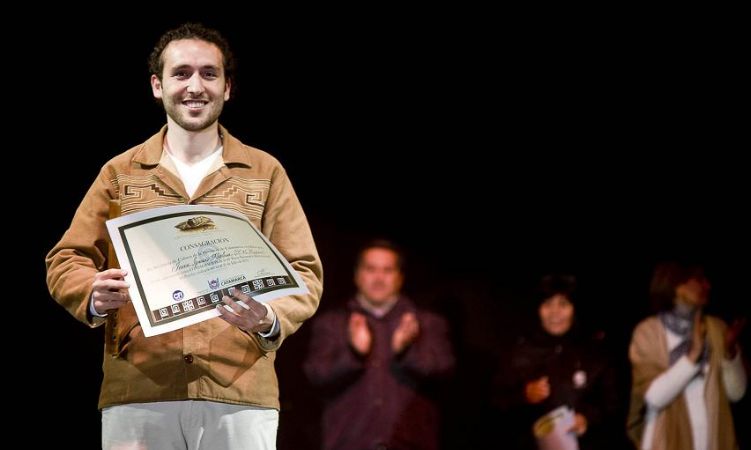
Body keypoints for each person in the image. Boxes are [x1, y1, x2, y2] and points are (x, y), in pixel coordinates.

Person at [45, 23, 322, 450]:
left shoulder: (266, 172)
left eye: (209, 74)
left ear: (228, 87)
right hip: (140, 385)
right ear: (157, 86)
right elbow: (67, 258)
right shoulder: (120, 173)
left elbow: (304, 271)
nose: (196, 86)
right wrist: (91, 293)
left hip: (240, 389)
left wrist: (268, 319)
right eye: (182, 73)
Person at [303, 239, 455, 450]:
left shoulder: (427, 323)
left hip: (411, 443)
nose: (379, 278)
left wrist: (406, 351)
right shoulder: (332, 323)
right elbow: (316, 376)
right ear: (357, 275)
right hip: (348, 444)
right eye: (371, 269)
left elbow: (444, 372)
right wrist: (354, 354)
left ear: (400, 277)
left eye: (388, 270)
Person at [492, 273, 621, 450]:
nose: (555, 312)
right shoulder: (520, 351)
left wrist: (588, 418)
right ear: (538, 309)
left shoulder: (594, 351)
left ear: (575, 308)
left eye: (563, 304)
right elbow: (497, 403)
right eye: (547, 304)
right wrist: (524, 395)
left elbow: (612, 405)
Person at [627, 261, 747, 450]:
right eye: (699, 280)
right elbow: (653, 398)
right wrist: (693, 355)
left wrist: (730, 352)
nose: (708, 285)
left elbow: (736, 393)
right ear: (676, 285)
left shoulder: (715, 328)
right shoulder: (648, 331)